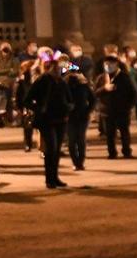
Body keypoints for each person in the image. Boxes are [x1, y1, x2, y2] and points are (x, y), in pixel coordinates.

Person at [25, 56, 71, 190]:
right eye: (57, 67)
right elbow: (27, 99)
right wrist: (39, 109)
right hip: (46, 120)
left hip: (61, 119)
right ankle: (49, 179)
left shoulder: (62, 82)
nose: (59, 70)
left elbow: (69, 98)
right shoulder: (43, 80)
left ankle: (55, 177)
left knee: (56, 150)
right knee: (51, 149)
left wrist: (69, 107)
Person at [97, 56, 136, 158]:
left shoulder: (124, 77)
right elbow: (95, 92)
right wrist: (104, 88)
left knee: (124, 132)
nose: (108, 66)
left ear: (116, 65)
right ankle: (112, 152)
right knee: (109, 134)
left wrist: (128, 106)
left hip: (122, 110)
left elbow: (133, 93)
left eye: (110, 64)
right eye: (106, 64)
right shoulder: (102, 78)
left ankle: (127, 151)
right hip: (107, 111)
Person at [64, 62, 95, 171]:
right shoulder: (64, 85)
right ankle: (75, 162)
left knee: (80, 139)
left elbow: (92, 99)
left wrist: (88, 110)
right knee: (72, 140)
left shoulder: (84, 85)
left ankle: (80, 162)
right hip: (70, 116)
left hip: (82, 115)